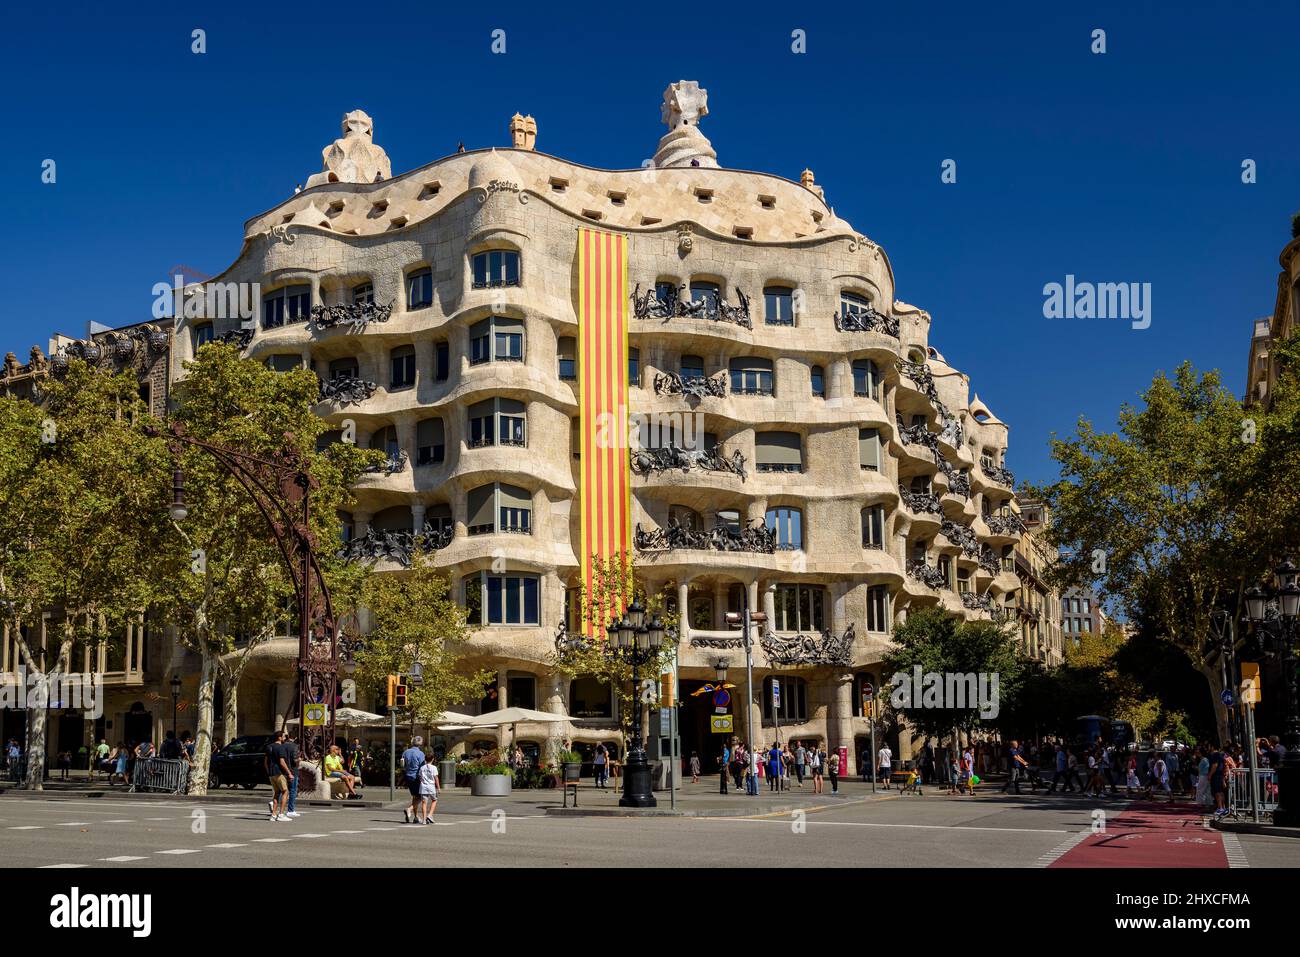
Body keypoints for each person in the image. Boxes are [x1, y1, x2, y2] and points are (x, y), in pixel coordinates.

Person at [264, 731, 292, 822]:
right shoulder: (280, 747)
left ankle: (273, 815)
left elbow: (265, 762)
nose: (285, 738)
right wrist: (289, 773)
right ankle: (281, 814)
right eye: (284, 736)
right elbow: (282, 762)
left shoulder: (269, 747)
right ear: (279, 738)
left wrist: (269, 771)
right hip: (279, 773)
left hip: (271, 773)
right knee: (285, 791)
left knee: (276, 793)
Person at [401, 736, 426, 823]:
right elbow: (423, 767)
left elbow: (402, 764)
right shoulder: (421, 754)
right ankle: (409, 809)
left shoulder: (406, 752)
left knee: (415, 796)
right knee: (420, 796)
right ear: (421, 744)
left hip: (408, 776)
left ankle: (416, 817)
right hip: (416, 777)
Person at [417, 751, 439, 823]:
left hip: (423, 786)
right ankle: (430, 815)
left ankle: (423, 820)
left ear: (425, 759)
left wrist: (422, 781)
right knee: (434, 800)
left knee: (424, 803)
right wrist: (438, 787)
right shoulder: (434, 768)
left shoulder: (422, 768)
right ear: (432, 759)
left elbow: (420, 777)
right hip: (431, 786)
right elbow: (436, 778)